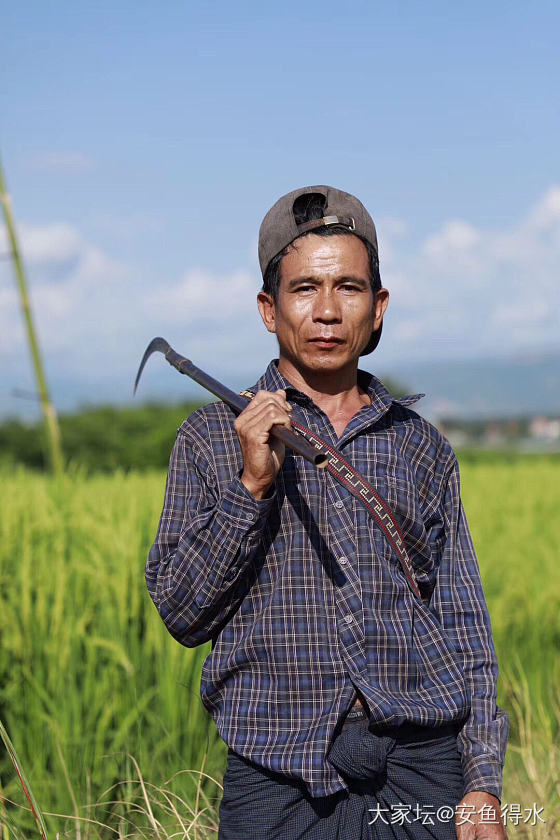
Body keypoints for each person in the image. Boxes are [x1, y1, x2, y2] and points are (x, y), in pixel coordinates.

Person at [146, 185, 509, 839]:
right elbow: (181, 611)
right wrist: (252, 485)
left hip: (421, 775)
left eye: (349, 287)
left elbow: (465, 629)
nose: (328, 312)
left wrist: (482, 782)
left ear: (378, 307)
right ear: (268, 307)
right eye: (305, 289)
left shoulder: (419, 446)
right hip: (277, 784)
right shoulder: (209, 438)